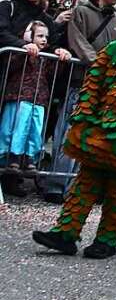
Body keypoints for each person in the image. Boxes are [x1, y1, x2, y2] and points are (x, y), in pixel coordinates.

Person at [31, 0, 116, 259]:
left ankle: (106, 240)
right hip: (100, 126)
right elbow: (93, 82)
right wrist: (85, 113)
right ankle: (66, 233)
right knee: (85, 182)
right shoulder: (112, 50)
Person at [39, 0, 116, 204]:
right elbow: (77, 41)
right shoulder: (81, 13)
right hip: (81, 82)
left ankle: (83, 187)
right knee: (69, 132)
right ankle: (57, 184)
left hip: (106, 87)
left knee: (95, 138)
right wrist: (99, 63)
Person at [0, 23, 70, 193]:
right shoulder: (19, 52)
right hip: (19, 96)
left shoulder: (46, 56)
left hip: (39, 99)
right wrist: (24, 50)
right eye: (39, 36)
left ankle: (30, 157)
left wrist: (62, 58)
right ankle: (12, 155)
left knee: (34, 129)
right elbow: (11, 66)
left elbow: (54, 73)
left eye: (46, 37)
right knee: (16, 127)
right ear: (29, 36)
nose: (44, 40)